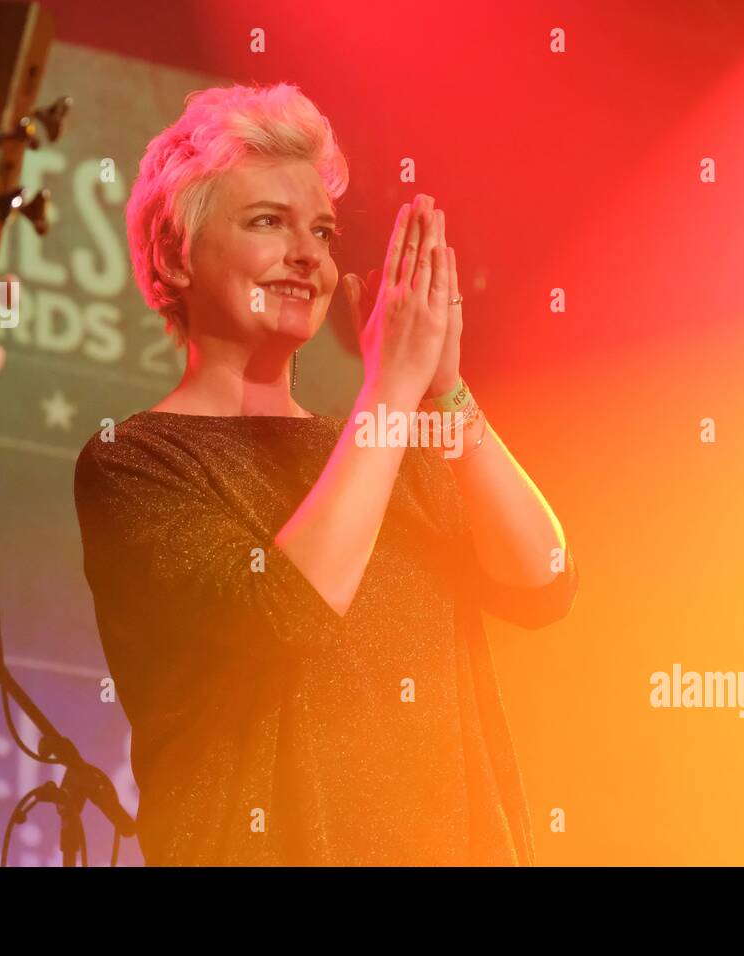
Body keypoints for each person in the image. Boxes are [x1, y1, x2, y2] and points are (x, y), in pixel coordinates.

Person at [73, 82, 578, 865]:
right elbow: (286, 615)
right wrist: (388, 390)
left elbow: (545, 584)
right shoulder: (136, 461)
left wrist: (445, 390)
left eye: (322, 229)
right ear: (178, 252)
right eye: (268, 222)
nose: (308, 255)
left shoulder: (381, 452)